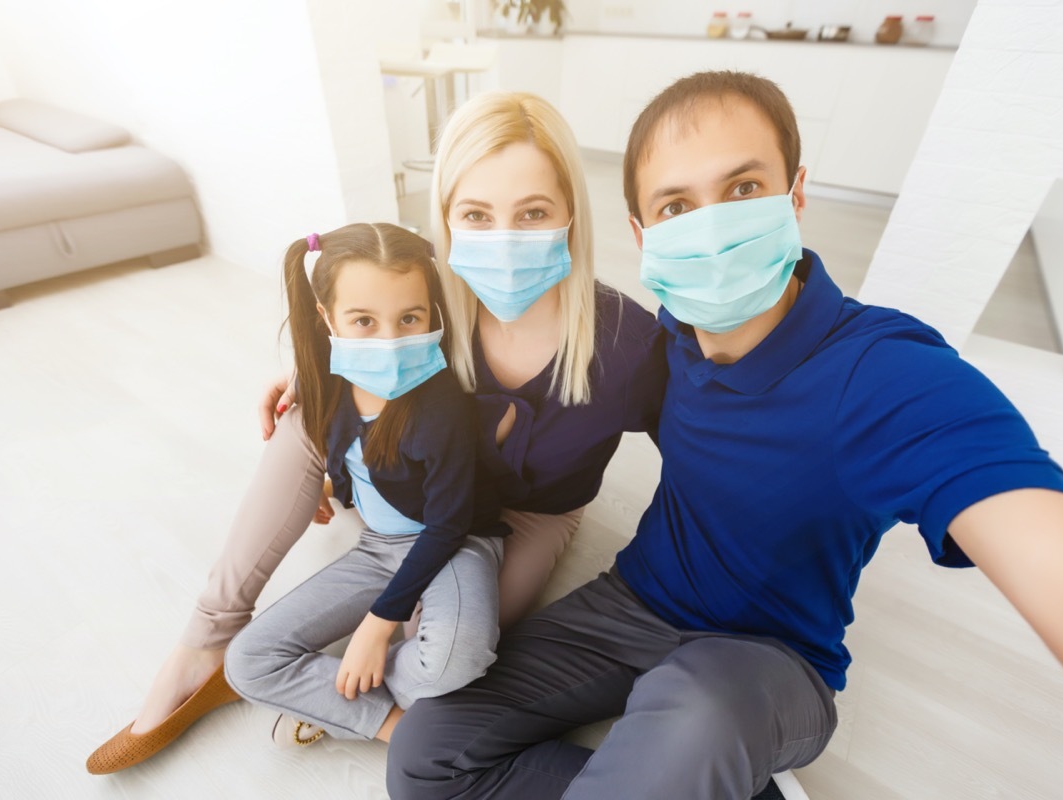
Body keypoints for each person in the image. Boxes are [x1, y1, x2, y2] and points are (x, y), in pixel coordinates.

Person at [385, 71, 1063, 799]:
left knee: (695, 709)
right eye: (678, 205)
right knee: (423, 753)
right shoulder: (661, 345)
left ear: (795, 194)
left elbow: (1060, 557)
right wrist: (341, 391)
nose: (711, 229)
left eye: (742, 190)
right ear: (644, 235)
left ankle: (699, 764)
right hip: (634, 603)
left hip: (767, 661)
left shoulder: (882, 372)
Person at [88, 92, 666, 772]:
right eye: (476, 214)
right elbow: (361, 316)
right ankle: (206, 643)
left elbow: (695, 461)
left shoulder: (628, 344)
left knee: (452, 655)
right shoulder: (432, 303)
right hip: (414, 495)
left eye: (532, 213)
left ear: (571, 212)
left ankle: (334, 693)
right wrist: (322, 381)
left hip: (525, 516)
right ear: (446, 214)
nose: (503, 238)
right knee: (305, 413)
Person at [88, 222, 507, 770]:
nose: (389, 341)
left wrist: (377, 627)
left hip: (452, 543)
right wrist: (336, 483)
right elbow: (352, 452)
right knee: (247, 662)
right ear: (326, 318)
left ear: (433, 315)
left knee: (459, 655)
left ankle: (333, 705)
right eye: (363, 321)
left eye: (410, 318)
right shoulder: (324, 387)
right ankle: (397, 730)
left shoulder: (440, 406)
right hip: (380, 547)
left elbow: (449, 525)